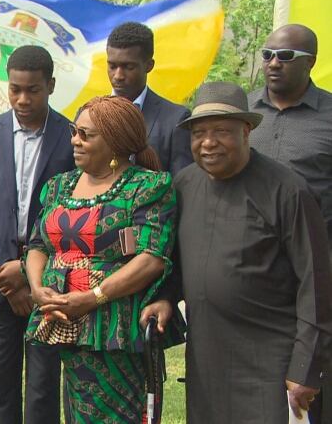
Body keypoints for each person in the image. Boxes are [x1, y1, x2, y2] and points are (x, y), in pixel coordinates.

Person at [141, 81, 332, 423]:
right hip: (207, 357)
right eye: (199, 133)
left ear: (246, 131)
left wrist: (305, 366)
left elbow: (316, 284)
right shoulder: (185, 184)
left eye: (221, 131)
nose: (208, 143)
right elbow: (181, 260)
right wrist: (167, 297)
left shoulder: (287, 191)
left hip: (271, 362)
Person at [24, 95, 184, 422]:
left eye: (86, 135)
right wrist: (38, 288)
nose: (75, 141)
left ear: (115, 141)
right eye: (74, 131)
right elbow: (38, 244)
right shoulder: (60, 186)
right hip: (65, 321)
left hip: (114, 328)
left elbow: (152, 258)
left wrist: (92, 298)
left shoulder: (147, 187)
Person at [0, 45, 75, 423]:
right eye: (15, 89)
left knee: (44, 383)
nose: (23, 99)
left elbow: (71, 214)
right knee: (2, 381)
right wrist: (8, 274)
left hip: (51, 284)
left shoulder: (71, 136)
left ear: (51, 86)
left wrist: (29, 272)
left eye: (33, 90)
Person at [248, 23, 332, 424]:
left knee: (310, 391)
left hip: (314, 275)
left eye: (286, 57)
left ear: (311, 62)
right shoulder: (243, 116)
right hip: (250, 274)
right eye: (267, 55)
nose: (273, 63)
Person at [106, 22, 193, 175]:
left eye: (128, 67)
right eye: (112, 66)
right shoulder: (89, 115)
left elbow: (182, 182)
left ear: (149, 65)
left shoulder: (175, 120)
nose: (118, 76)